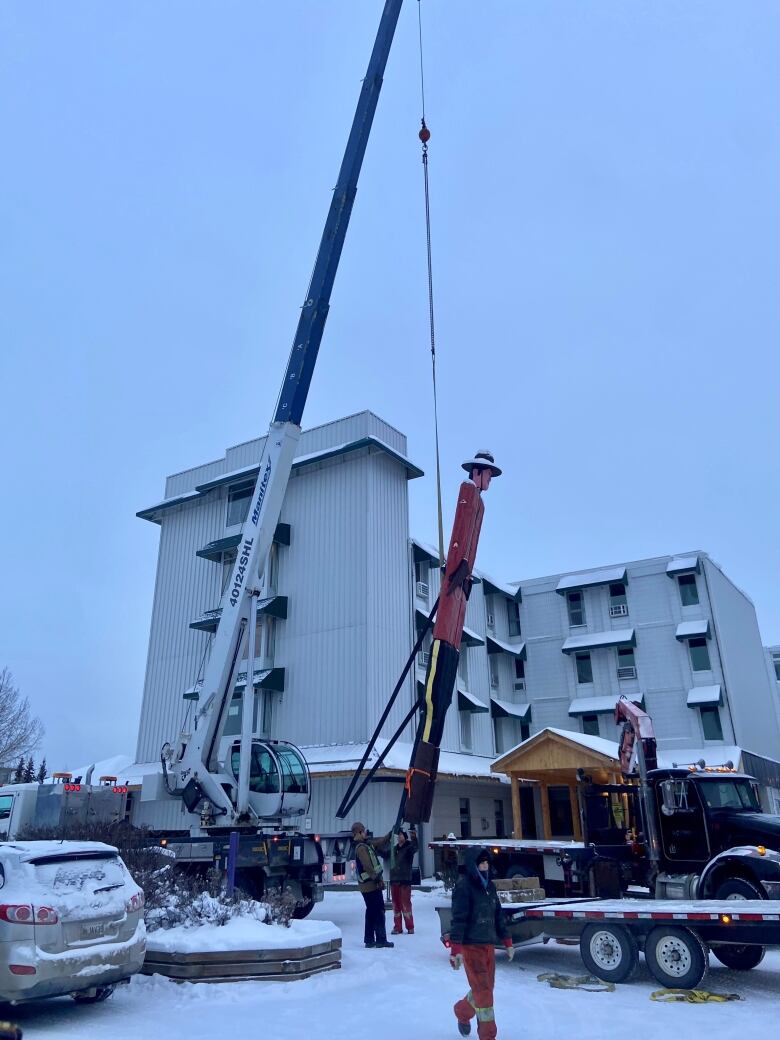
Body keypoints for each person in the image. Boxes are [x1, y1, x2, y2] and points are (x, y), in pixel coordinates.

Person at [449, 848, 514, 1039]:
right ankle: (488, 1035)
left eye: (487, 863)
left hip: (488, 945)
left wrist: (507, 941)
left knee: (485, 987)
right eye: (481, 863)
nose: (485, 866)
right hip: (471, 947)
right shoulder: (464, 887)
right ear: (473, 865)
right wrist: (456, 949)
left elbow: (498, 916)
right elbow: (458, 919)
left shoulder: (489, 887)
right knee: (484, 992)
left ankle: (462, 1011)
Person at [351, 821, 394, 949]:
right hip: (370, 885)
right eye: (364, 831)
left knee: (371, 911)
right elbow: (368, 866)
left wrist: (390, 835)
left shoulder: (364, 845)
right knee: (378, 911)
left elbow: (379, 842)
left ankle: (369, 940)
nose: (366, 832)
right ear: (359, 832)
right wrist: (377, 879)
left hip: (367, 885)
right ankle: (381, 939)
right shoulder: (361, 848)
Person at [377, 827, 418, 934]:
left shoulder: (408, 848)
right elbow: (383, 853)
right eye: (398, 835)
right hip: (394, 880)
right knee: (396, 905)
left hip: (404, 881)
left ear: (405, 836)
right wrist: (377, 846)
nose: (399, 836)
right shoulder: (394, 849)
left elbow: (415, 848)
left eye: (401, 834)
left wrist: (414, 838)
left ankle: (410, 927)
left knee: (405, 905)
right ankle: (398, 927)